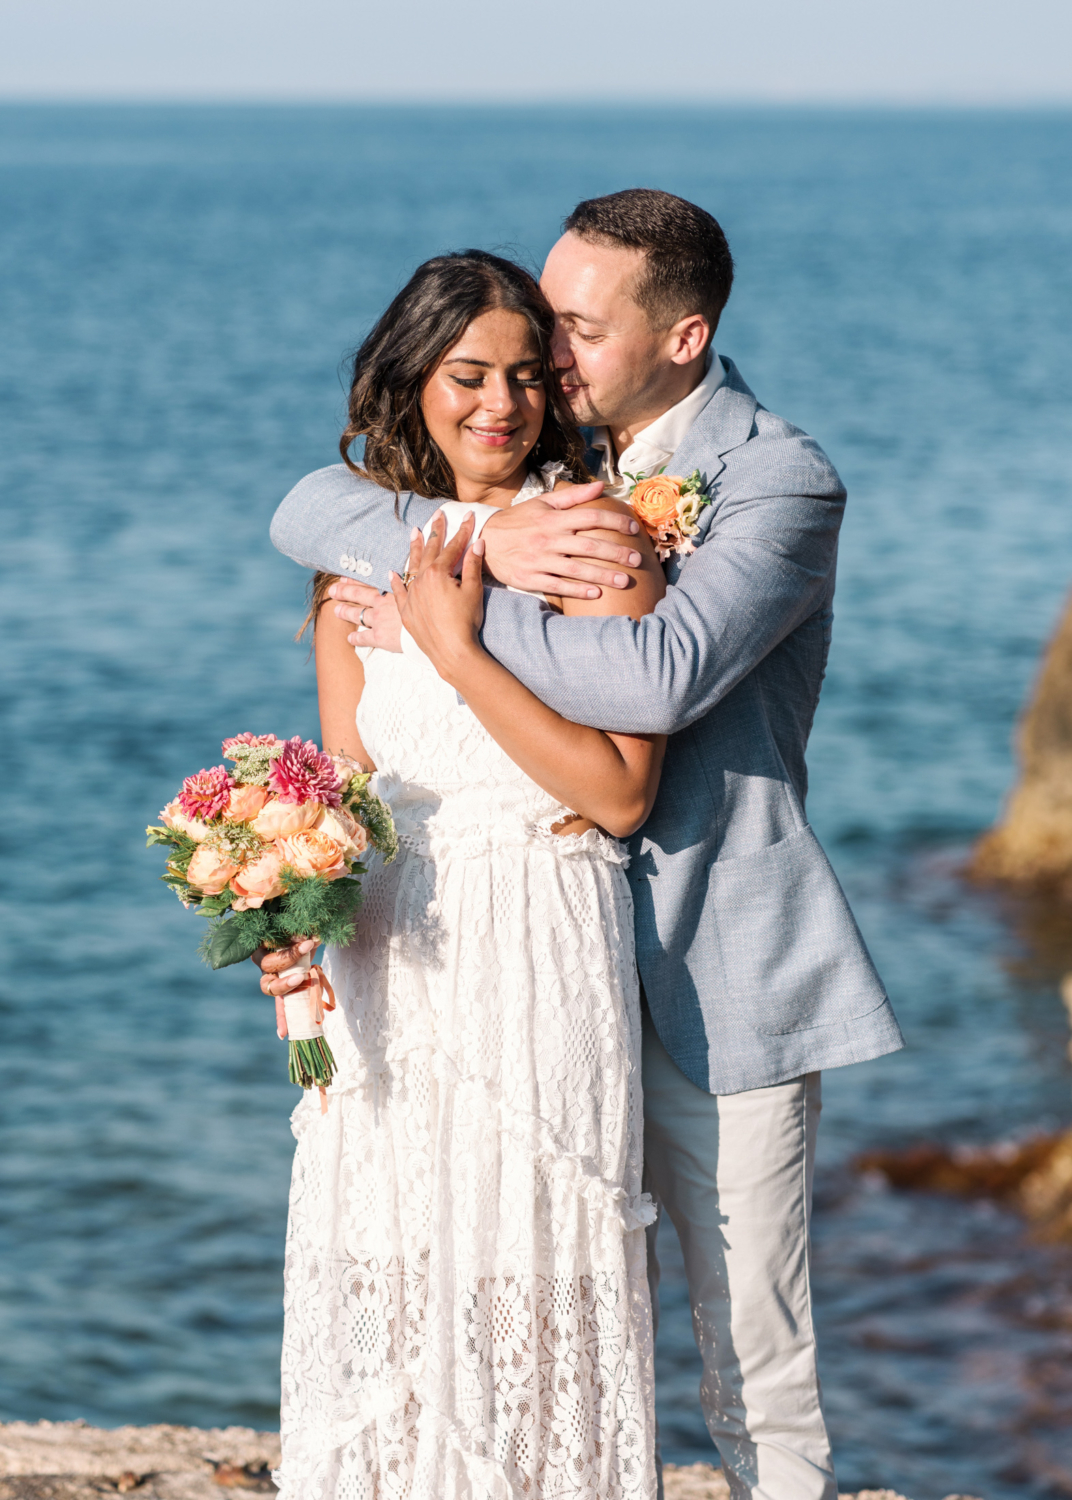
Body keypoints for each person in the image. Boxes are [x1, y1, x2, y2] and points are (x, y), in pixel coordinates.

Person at [268, 189, 905, 1500]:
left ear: (680, 337)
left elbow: (660, 679)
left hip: (705, 968)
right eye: (520, 341)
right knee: (433, 1291)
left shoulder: (774, 478)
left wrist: (452, 623)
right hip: (480, 975)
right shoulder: (543, 492)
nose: (540, 369)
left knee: (746, 1355)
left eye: (569, 331)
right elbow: (309, 513)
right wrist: (471, 541)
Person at [267, 248, 664, 1500]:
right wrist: (288, 920)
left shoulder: (597, 548)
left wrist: (456, 638)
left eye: (525, 378)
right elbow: (349, 797)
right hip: (390, 952)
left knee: (526, 1264)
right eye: (465, 374)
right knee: (386, 1252)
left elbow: (615, 795)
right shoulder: (352, 574)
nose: (499, 405)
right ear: (411, 381)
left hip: (538, 933)